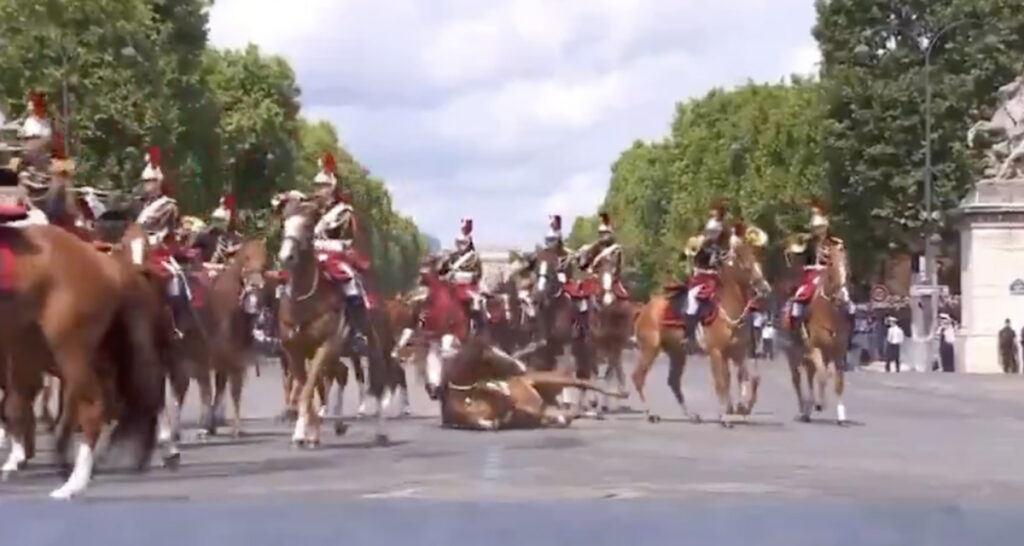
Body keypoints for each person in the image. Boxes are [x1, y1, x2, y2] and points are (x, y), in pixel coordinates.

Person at [310, 151, 371, 353]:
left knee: (352, 286)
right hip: (310, 255)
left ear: (332, 188)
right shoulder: (310, 210)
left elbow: (347, 240)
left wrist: (326, 248)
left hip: (334, 257)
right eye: (317, 187)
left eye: (323, 187)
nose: (319, 191)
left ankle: (357, 333)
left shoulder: (343, 212)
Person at [784, 201, 854, 336]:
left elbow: (841, 261)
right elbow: (798, 259)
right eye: (816, 227)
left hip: (832, 276)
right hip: (812, 276)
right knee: (798, 301)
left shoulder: (835, 243)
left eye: (821, 227)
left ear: (826, 227)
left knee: (850, 305)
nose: (819, 230)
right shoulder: (807, 242)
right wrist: (793, 255)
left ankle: (850, 334)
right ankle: (798, 332)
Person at [681, 203, 728, 344]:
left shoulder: (722, 246)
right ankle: (689, 333)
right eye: (712, 232)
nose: (714, 235)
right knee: (692, 300)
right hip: (702, 278)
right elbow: (694, 259)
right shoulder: (701, 247)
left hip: (717, 277)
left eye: (716, 232)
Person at [437, 217, 486, 332]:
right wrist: (444, 276)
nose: (460, 245)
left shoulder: (474, 257)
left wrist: (463, 277)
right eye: (458, 243)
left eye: (463, 243)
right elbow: (441, 271)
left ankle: (478, 329)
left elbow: (478, 274)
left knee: (477, 305)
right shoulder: (450, 257)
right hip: (451, 288)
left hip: (468, 288)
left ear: (468, 243)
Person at [575, 212, 624, 306]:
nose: (604, 237)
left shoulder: (616, 249)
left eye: (605, 234)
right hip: (596, 276)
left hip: (610, 274)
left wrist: (613, 272)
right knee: (581, 294)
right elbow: (585, 263)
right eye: (601, 234)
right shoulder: (595, 247)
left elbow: (618, 266)